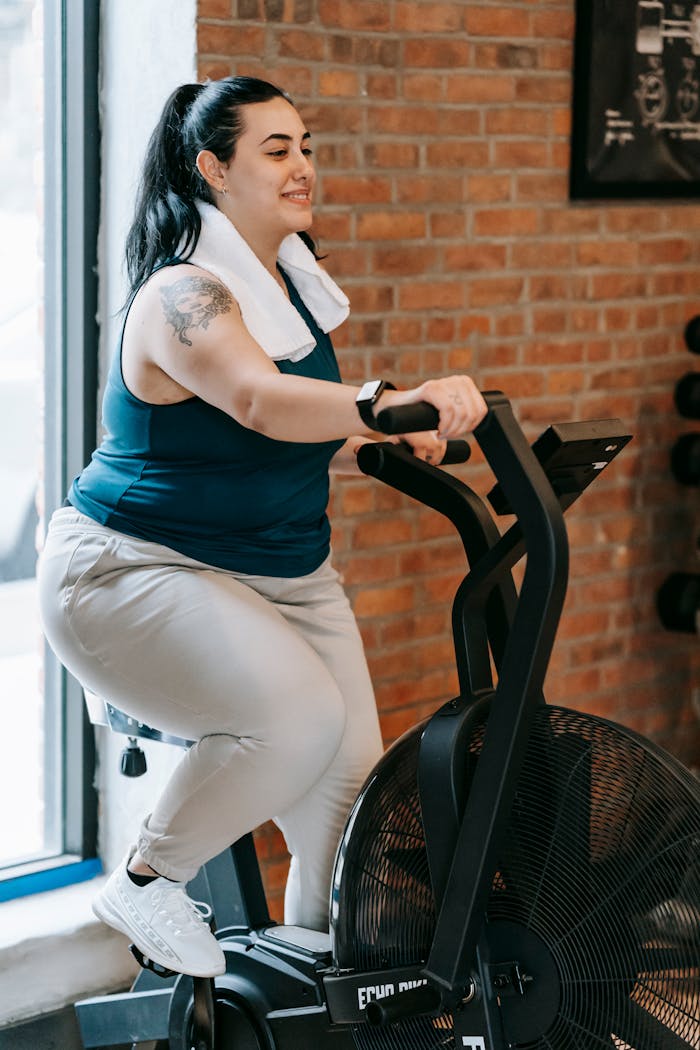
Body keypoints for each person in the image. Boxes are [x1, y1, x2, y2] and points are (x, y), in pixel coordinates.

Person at [37, 76, 486, 979]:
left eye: (306, 147)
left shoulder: (291, 291)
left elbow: (301, 423)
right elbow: (255, 398)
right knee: (298, 719)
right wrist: (382, 403)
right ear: (213, 168)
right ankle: (147, 876)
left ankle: (321, 967)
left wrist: (398, 431)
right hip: (132, 569)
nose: (301, 168)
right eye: (275, 150)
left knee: (352, 778)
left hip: (280, 570)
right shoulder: (182, 295)